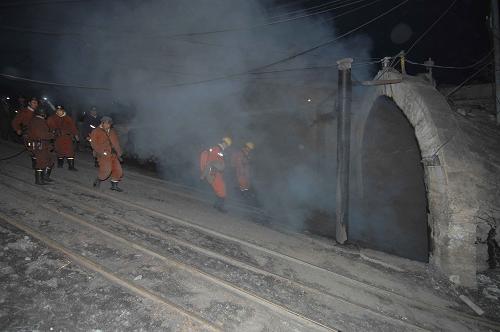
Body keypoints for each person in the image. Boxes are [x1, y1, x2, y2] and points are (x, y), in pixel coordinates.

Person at [89, 116, 124, 192]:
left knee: (118, 170)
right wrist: (102, 152)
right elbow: (93, 144)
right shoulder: (96, 131)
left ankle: (114, 186)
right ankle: (98, 180)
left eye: (109, 124)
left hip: (113, 154)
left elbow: (116, 143)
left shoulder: (112, 132)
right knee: (106, 170)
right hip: (103, 154)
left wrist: (119, 152)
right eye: (106, 123)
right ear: (102, 123)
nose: (107, 125)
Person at [200, 137, 232, 212]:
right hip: (214, 173)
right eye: (227, 145)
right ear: (224, 143)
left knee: (220, 188)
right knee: (222, 189)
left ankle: (217, 205)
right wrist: (206, 174)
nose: (226, 147)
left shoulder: (218, 150)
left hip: (214, 173)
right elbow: (211, 162)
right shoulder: (217, 149)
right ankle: (219, 207)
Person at [26, 108, 54, 185]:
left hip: (43, 145)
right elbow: (41, 135)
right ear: (43, 114)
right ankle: (39, 180)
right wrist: (52, 135)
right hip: (40, 146)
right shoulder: (38, 122)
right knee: (41, 163)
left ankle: (45, 177)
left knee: (49, 162)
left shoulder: (36, 120)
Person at [47, 105, 79, 171]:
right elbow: (48, 127)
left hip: (67, 138)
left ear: (63, 111)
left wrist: (76, 135)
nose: (59, 112)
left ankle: (71, 166)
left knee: (70, 151)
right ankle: (60, 164)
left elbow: (73, 127)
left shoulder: (68, 118)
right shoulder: (52, 118)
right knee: (59, 151)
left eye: (60, 110)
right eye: (57, 110)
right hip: (58, 138)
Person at [11, 97, 39, 169]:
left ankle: (38, 162)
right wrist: (17, 129)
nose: (35, 104)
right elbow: (15, 121)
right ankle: (35, 165)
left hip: (38, 133)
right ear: (29, 103)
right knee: (33, 149)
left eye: (36, 103)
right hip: (28, 133)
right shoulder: (24, 112)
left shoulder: (37, 112)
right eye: (33, 103)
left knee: (39, 148)